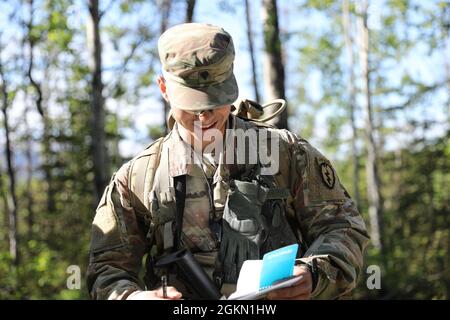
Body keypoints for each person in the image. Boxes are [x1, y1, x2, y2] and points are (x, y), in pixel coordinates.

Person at [86, 23, 370, 300]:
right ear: (163, 88)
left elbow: (343, 228)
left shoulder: (285, 152)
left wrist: (314, 275)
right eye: (192, 105)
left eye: (213, 102)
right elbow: (106, 268)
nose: (204, 117)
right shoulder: (137, 177)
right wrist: (132, 297)